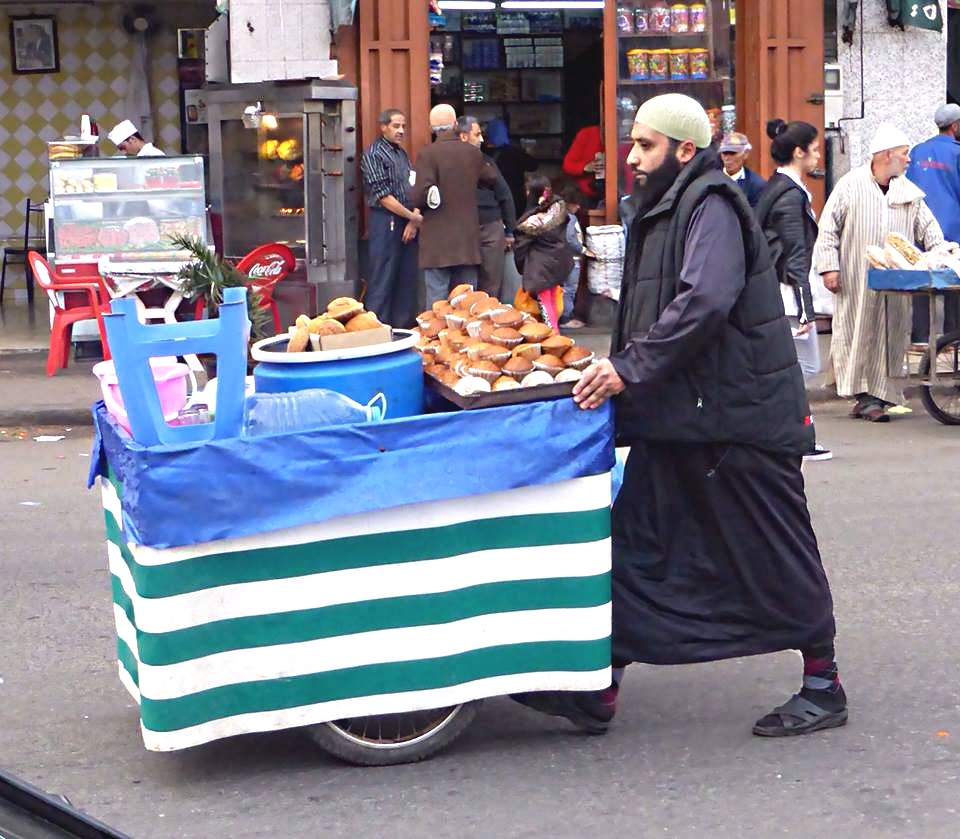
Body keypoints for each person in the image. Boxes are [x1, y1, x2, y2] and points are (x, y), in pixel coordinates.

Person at [513, 93, 846, 739]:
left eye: (645, 145)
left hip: (737, 417)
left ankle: (824, 685)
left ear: (685, 150)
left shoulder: (711, 204)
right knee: (637, 545)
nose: (631, 158)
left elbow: (706, 299)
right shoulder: (665, 206)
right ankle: (599, 690)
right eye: (633, 144)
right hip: (679, 413)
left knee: (774, 551)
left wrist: (628, 368)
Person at [813, 123, 944, 422]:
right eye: (904, 154)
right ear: (886, 156)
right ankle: (863, 395)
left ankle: (878, 397)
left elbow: (930, 230)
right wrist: (829, 268)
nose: (909, 159)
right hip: (855, 277)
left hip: (896, 281)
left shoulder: (908, 191)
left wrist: (941, 253)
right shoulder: (850, 185)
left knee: (890, 335)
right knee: (856, 331)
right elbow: (828, 229)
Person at [755, 118, 832, 461]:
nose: (818, 157)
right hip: (787, 296)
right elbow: (795, 254)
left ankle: (785, 430)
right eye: (814, 150)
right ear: (798, 152)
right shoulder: (789, 195)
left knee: (798, 368)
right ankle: (793, 435)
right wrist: (805, 309)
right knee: (801, 367)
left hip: (781, 293)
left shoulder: (780, 188)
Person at [411, 104, 497, 305]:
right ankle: (465, 335)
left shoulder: (428, 154)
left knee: (437, 300)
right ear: (456, 124)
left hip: (437, 240)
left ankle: (438, 336)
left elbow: (420, 196)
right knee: (467, 300)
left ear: (431, 128)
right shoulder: (472, 153)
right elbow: (491, 178)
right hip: (467, 238)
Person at [359, 108, 422, 328]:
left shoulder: (401, 154)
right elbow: (383, 197)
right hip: (386, 220)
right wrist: (411, 217)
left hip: (407, 220)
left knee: (406, 278)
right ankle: (376, 331)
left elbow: (412, 186)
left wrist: (413, 219)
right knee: (383, 276)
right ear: (383, 126)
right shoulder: (373, 154)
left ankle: (402, 331)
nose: (401, 131)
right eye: (396, 126)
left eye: (403, 126)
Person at [906, 103, 960, 344]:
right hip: (952, 232)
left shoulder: (917, 152)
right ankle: (951, 343)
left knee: (921, 284)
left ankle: (919, 343)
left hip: (919, 231)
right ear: (955, 126)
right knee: (955, 290)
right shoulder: (958, 152)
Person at [458, 115, 516, 299]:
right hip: (463, 225)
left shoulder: (487, 160)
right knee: (465, 283)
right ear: (463, 136)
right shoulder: (449, 160)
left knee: (491, 280)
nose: (482, 139)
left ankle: (488, 320)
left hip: (490, 223)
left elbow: (504, 194)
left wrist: (509, 231)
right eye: (477, 134)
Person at [512, 175, 573, 331]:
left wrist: (521, 263)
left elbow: (521, 243)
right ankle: (554, 335)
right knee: (551, 301)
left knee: (545, 305)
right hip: (557, 262)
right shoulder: (557, 209)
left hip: (540, 266)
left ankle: (552, 337)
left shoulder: (533, 220)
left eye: (527, 190)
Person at [484, 118, 538, 226]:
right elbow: (533, 165)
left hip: (493, 200)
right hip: (516, 199)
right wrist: (529, 151)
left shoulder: (484, 153)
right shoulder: (514, 152)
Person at [558, 184, 593, 329]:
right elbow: (571, 238)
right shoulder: (570, 218)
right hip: (572, 258)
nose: (578, 207)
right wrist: (584, 250)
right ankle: (566, 318)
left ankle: (562, 316)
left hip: (561, 257)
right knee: (570, 289)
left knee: (562, 288)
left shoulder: (557, 216)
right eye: (576, 203)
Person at [719, 132, 766, 207]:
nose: (727, 158)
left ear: (746, 153)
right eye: (724, 153)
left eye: (732, 153)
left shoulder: (756, 185)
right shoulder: (711, 181)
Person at [562, 122, 604, 205]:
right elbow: (567, 165)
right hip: (586, 194)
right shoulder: (587, 134)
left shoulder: (622, 136)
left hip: (615, 192)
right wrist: (585, 167)